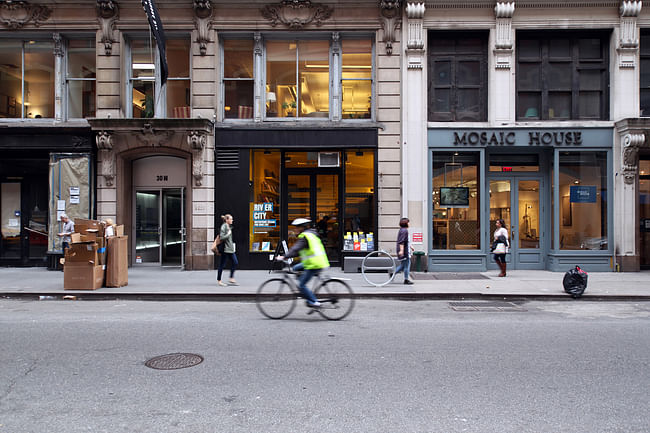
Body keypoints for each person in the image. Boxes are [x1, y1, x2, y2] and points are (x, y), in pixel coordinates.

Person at [276, 218, 329, 307]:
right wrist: (288, 256)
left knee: (301, 285)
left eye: (297, 227)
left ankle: (314, 302)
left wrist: (284, 257)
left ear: (302, 228)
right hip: (313, 262)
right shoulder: (311, 234)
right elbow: (297, 251)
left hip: (315, 264)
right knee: (295, 268)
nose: (295, 229)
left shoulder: (305, 237)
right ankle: (306, 292)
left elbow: (295, 249)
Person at [217, 214, 239, 287]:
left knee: (235, 262)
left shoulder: (228, 226)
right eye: (231, 219)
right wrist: (228, 234)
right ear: (227, 220)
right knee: (222, 265)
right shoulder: (224, 226)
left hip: (230, 249)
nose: (232, 220)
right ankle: (219, 281)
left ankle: (231, 278)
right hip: (225, 249)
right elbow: (222, 237)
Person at [394, 217, 413, 285]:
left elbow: (406, 241)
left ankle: (393, 273)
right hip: (405, 251)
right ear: (406, 223)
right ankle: (406, 279)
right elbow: (401, 242)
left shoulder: (402, 230)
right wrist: (402, 251)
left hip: (405, 249)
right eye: (408, 222)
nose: (409, 223)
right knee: (407, 265)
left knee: (403, 265)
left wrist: (411, 246)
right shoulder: (404, 231)